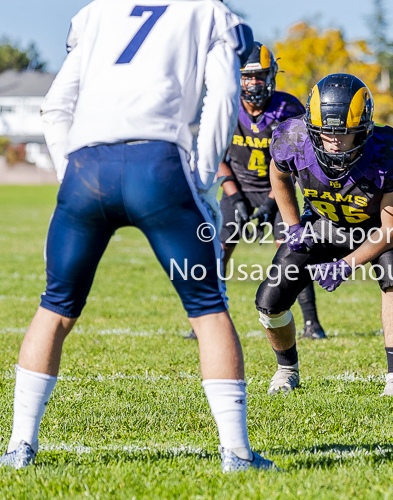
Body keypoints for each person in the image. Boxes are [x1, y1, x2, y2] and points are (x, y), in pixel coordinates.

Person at [0, 0, 276, 472]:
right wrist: (204, 174)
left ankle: (18, 447)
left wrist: (72, 171)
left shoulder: (96, 11)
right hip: (158, 163)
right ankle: (237, 453)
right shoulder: (208, 11)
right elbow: (225, 92)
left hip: (87, 167)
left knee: (55, 307)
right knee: (209, 310)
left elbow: (55, 105)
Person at [255, 73, 393, 397]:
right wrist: (293, 226)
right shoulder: (292, 137)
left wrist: (346, 265)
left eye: (345, 133)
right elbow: (278, 173)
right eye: (326, 132)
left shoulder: (389, 153)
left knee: (392, 274)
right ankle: (287, 369)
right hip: (321, 222)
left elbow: (391, 230)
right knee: (269, 302)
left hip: (374, 228)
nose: (334, 142)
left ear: (365, 129)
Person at [185, 42, 326, 341]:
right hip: (238, 188)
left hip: (280, 190)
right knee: (217, 250)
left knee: (292, 251)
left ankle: (312, 322)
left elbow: (298, 160)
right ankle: (205, 319)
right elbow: (214, 154)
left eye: (259, 76)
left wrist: (270, 204)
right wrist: (233, 195)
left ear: (272, 75)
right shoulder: (226, 107)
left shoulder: (289, 109)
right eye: (247, 77)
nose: (253, 83)